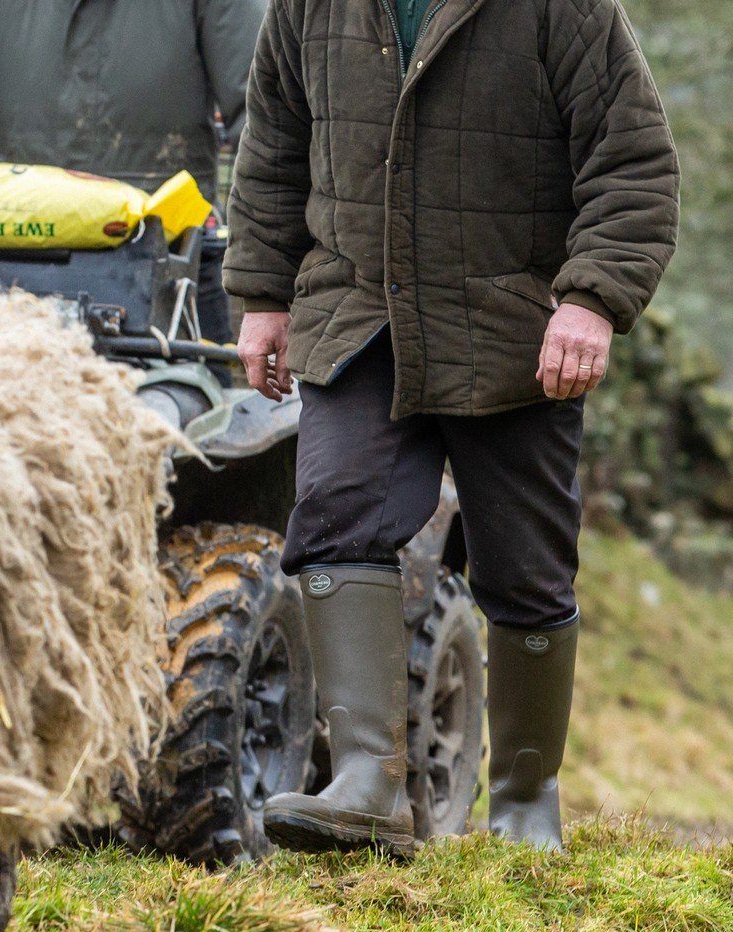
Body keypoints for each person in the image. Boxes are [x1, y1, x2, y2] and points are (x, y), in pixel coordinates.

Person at [224, 0, 679, 855]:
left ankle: (522, 801)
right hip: (357, 316)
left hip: (511, 333)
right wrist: (262, 296)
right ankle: (367, 784)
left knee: (526, 568)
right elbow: (274, 151)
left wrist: (591, 300)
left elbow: (634, 165)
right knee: (333, 517)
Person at [0, 0, 266, 349]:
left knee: (188, 408)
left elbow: (263, 108)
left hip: (170, 260)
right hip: (27, 252)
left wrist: (270, 256)